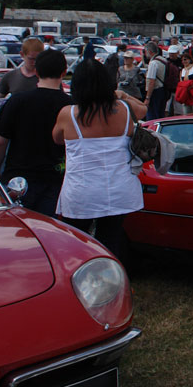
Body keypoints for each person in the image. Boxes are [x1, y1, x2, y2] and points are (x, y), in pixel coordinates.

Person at [53, 59, 146, 259]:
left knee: (76, 243)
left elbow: (57, 139)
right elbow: (143, 109)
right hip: (119, 189)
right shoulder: (124, 109)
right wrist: (122, 94)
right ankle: (111, 280)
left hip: (82, 192)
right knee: (110, 241)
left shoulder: (68, 114)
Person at [0, 49, 73, 216]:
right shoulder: (71, 106)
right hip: (56, 181)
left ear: (36, 71)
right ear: (64, 72)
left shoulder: (17, 101)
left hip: (18, 182)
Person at [143, 42, 168, 120]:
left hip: (155, 91)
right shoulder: (163, 60)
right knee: (160, 114)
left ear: (149, 51)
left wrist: (147, 98)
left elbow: (151, 82)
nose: (145, 54)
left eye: (145, 52)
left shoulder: (153, 63)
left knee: (152, 115)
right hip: (164, 90)